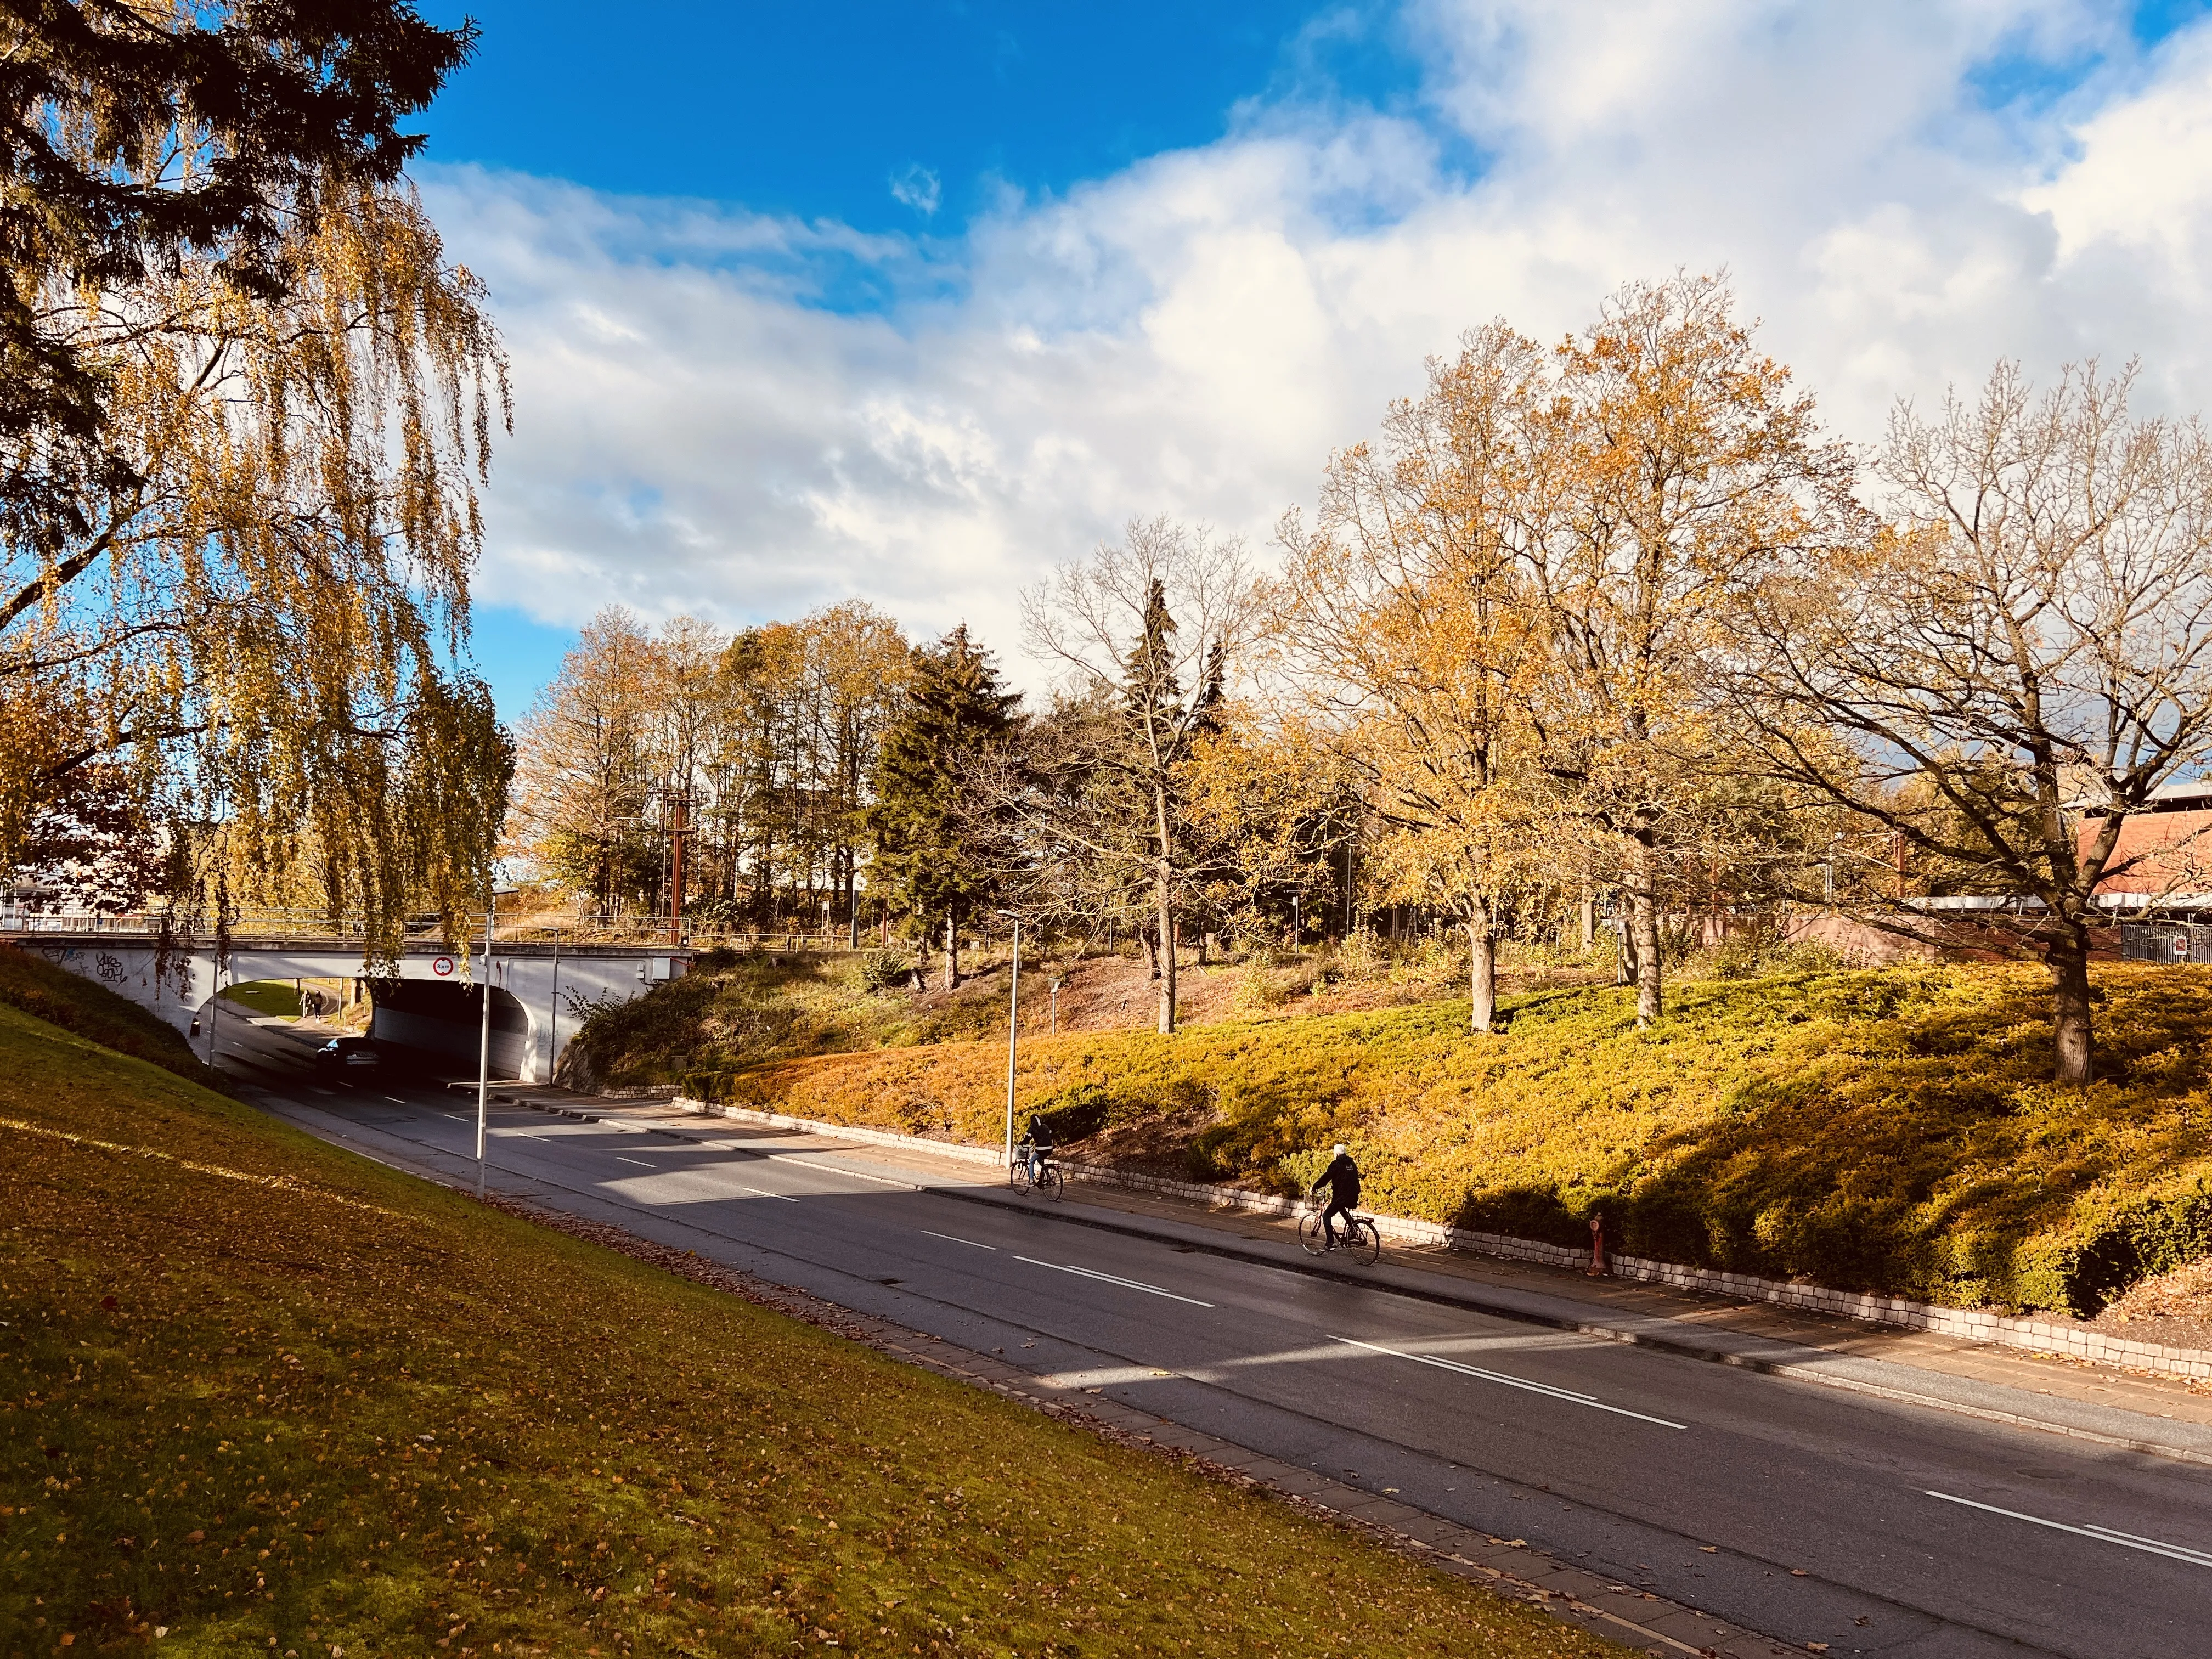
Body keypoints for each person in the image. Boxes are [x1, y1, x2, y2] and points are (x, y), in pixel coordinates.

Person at [1311, 1142, 1361, 1250]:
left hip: (1342, 1197)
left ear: (1336, 1154)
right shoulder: (1352, 1164)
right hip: (1353, 1197)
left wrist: (1316, 1186)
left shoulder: (1336, 1164)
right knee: (1342, 1209)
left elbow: (1326, 1177)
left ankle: (1330, 1243)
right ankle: (1354, 1229)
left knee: (1326, 1216)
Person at [1022, 1111, 1055, 1183]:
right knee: (1040, 1160)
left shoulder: (1033, 1128)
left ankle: (1031, 1181)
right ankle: (1047, 1177)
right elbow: (1051, 1136)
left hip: (1041, 1149)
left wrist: (1021, 1143)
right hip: (1050, 1148)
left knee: (1032, 1162)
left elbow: (1027, 1139)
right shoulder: (1045, 1126)